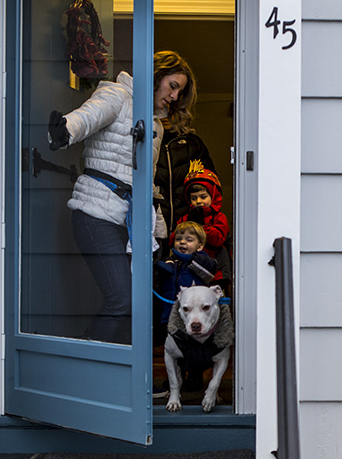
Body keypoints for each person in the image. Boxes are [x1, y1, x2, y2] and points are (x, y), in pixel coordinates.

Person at [48, 51, 197, 344]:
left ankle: (124, 377)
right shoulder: (116, 94)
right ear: (157, 75)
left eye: (180, 91)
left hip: (129, 222)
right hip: (95, 213)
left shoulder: (156, 125)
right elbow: (88, 117)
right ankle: (91, 368)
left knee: (136, 305)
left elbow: (146, 182)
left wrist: (158, 227)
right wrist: (65, 130)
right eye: (173, 85)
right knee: (121, 299)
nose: (175, 96)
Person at [153, 221, 218, 329]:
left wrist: (188, 259)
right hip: (169, 315)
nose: (182, 242)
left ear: (200, 246)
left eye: (189, 240)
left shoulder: (203, 262)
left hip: (194, 317)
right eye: (178, 239)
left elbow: (210, 269)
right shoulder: (170, 262)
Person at [155, 128, 217, 234]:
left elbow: (211, 187)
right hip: (156, 219)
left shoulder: (192, 144)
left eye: (171, 112)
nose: (165, 116)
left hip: (188, 221)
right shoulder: (148, 142)